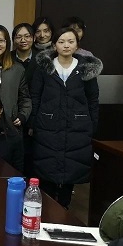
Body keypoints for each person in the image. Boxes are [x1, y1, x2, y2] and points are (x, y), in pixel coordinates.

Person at [30, 26, 102, 208]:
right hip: (47, 126)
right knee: (46, 171)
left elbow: (93, 99)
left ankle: (64, 208)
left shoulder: (85, 69)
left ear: (77, 45)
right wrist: (33, 122)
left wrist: (92, 124)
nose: (66, 45)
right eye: (61, 41)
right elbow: (35, 96)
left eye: (70, 41)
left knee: (70, 173)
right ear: (54, 45)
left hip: (77, 128)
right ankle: (46, 209)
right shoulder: (44, 67)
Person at [11, 22, 38, 176]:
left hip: (35, 113)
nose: (23, 40)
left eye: (27, 36)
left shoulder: (42, 60)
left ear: (33, 38)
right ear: (13, 39)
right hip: (14, 115)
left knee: (31, 161)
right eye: (19, 36)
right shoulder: (7, 58)